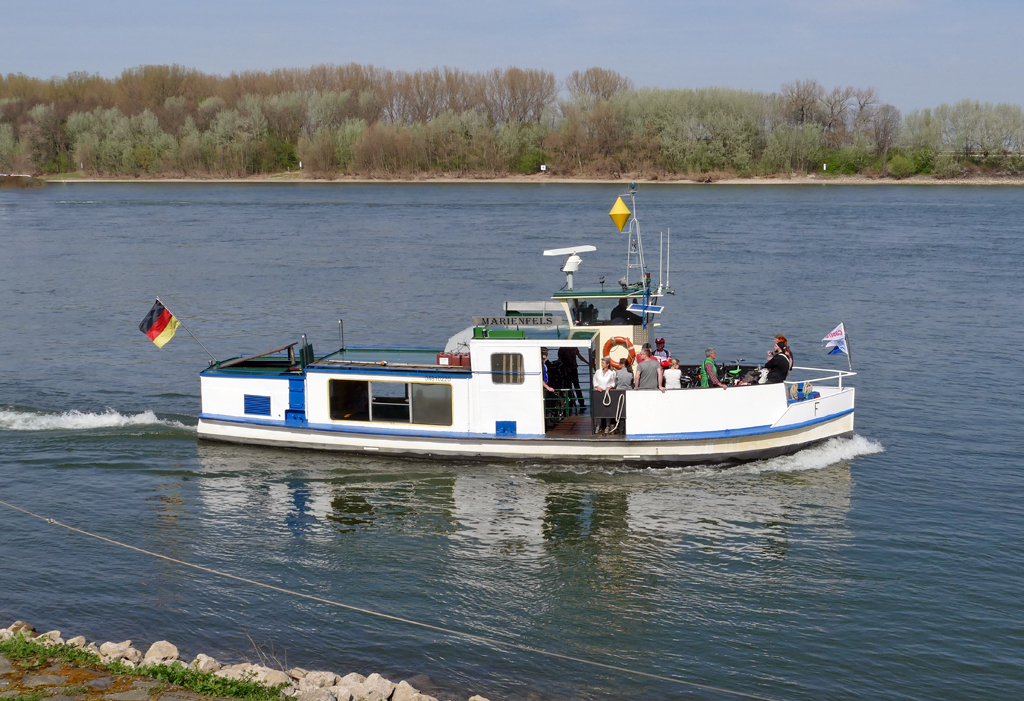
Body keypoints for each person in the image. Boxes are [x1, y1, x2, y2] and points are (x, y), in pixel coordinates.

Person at [558, 346, 588, 413]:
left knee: (576, 386)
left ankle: (581, 403)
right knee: (569, 387)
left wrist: (588, 363)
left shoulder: (573, 347)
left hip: (573, 369)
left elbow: (579, 356)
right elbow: (560, 360)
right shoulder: (562, 348)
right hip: (566, 370)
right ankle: (571, 403)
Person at [592, 356, 616, 434]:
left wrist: (610, 387)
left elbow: (613, 382)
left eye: (603, 363)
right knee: (599, 410)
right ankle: (598, 426)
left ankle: (607, 426)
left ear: (607, 364)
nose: (602, 364)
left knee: (607, 410)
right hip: (599, 393)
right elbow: (595, 380)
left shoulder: (611, 373)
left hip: (607, 393)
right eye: (602, 363)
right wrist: (597, 386)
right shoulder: (598, 372)